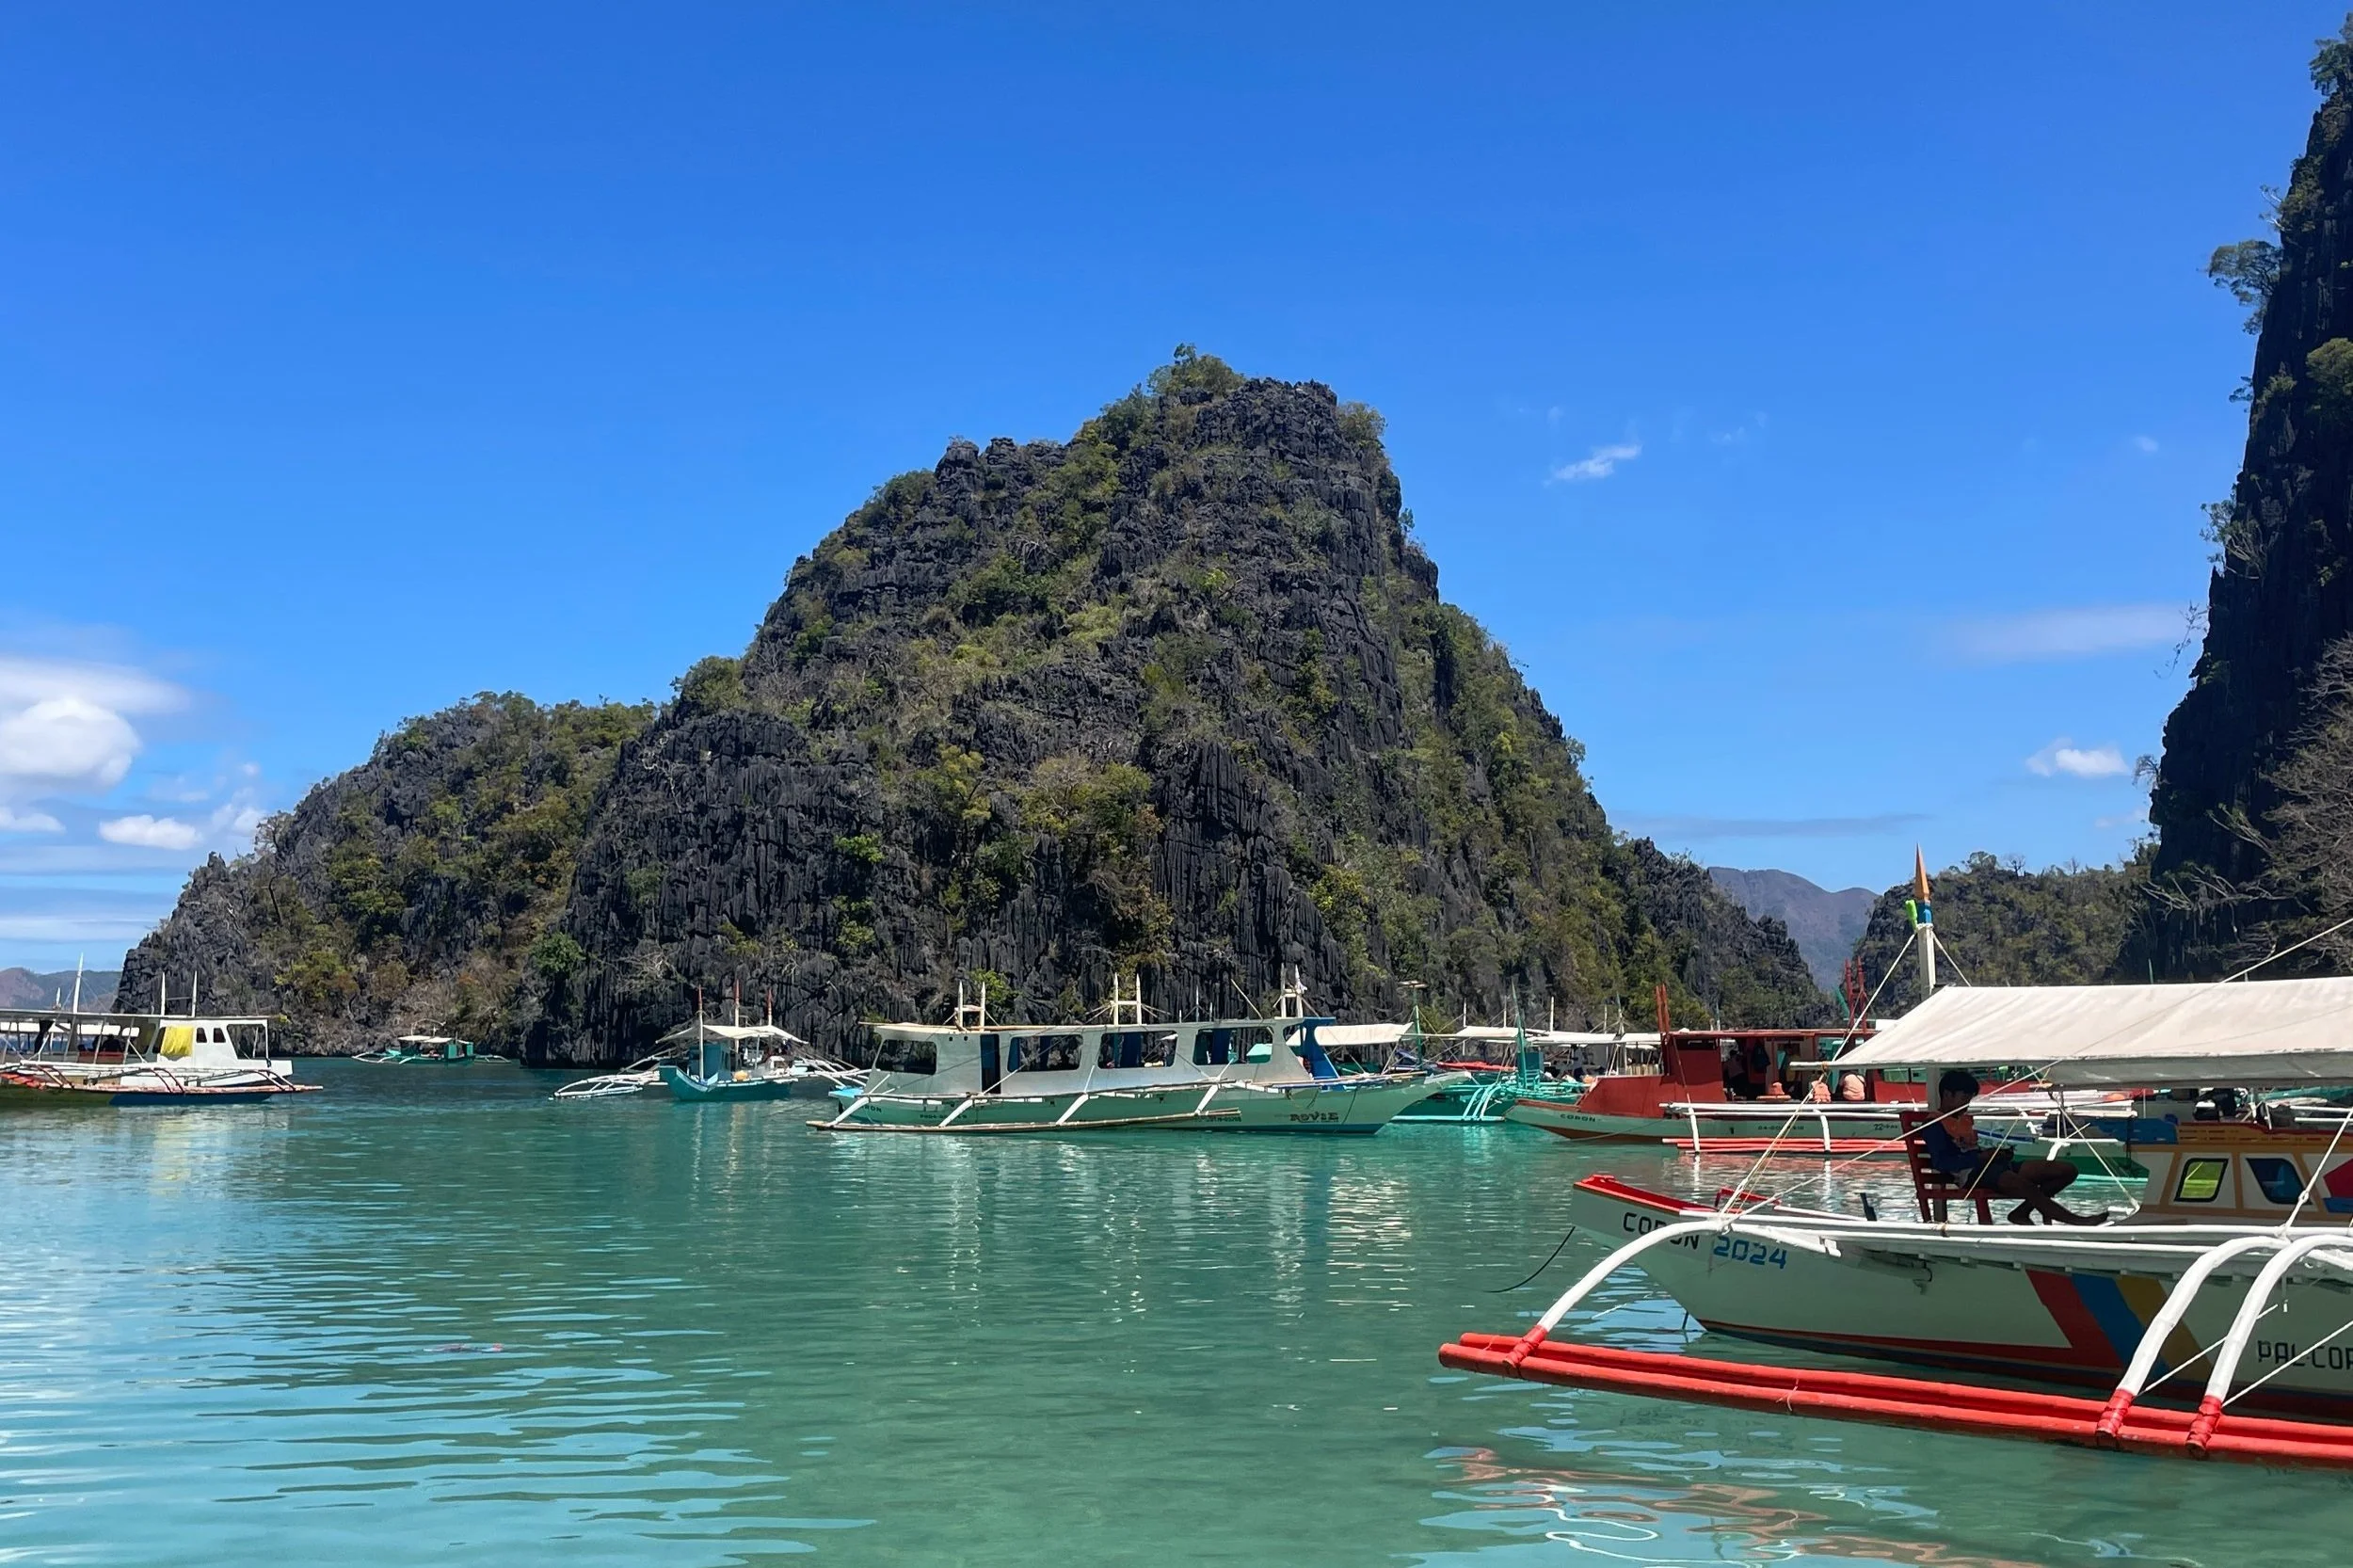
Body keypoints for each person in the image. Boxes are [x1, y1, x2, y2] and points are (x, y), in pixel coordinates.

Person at [1920, 1069, 2100, 1225]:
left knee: (2065, 1170)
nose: (1967, 1105)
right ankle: (2076, 1221)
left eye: (1969, 1100)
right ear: (1947, 1094)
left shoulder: (1961, 1120)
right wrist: (1980, 1158)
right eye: (1963, 1099)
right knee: (2025, 1185)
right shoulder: (1934, 1124)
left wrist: (1996, 1154)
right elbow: (1942, 1162)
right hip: (1971, 1174)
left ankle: (2021, 1213)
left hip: (1991, 1167)